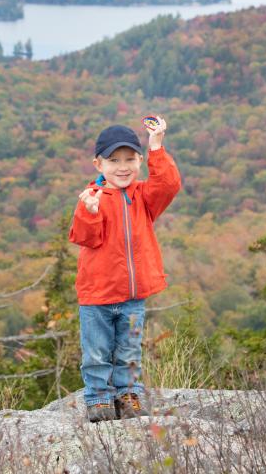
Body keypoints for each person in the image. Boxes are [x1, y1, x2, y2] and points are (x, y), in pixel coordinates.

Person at [69, 117, 181, 422]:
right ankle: (99, 397)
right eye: (113, 160)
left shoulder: (143, 197)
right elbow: (83, 237)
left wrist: (156, 146)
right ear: (98, 164)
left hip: (133, 296)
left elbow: (168, 184)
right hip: (97, 296)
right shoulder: (92, 198)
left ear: (139, 161)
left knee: (129, 351)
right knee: (96, 353)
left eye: (130, 159)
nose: (122, 166)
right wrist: (89, 212)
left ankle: (128, 393)